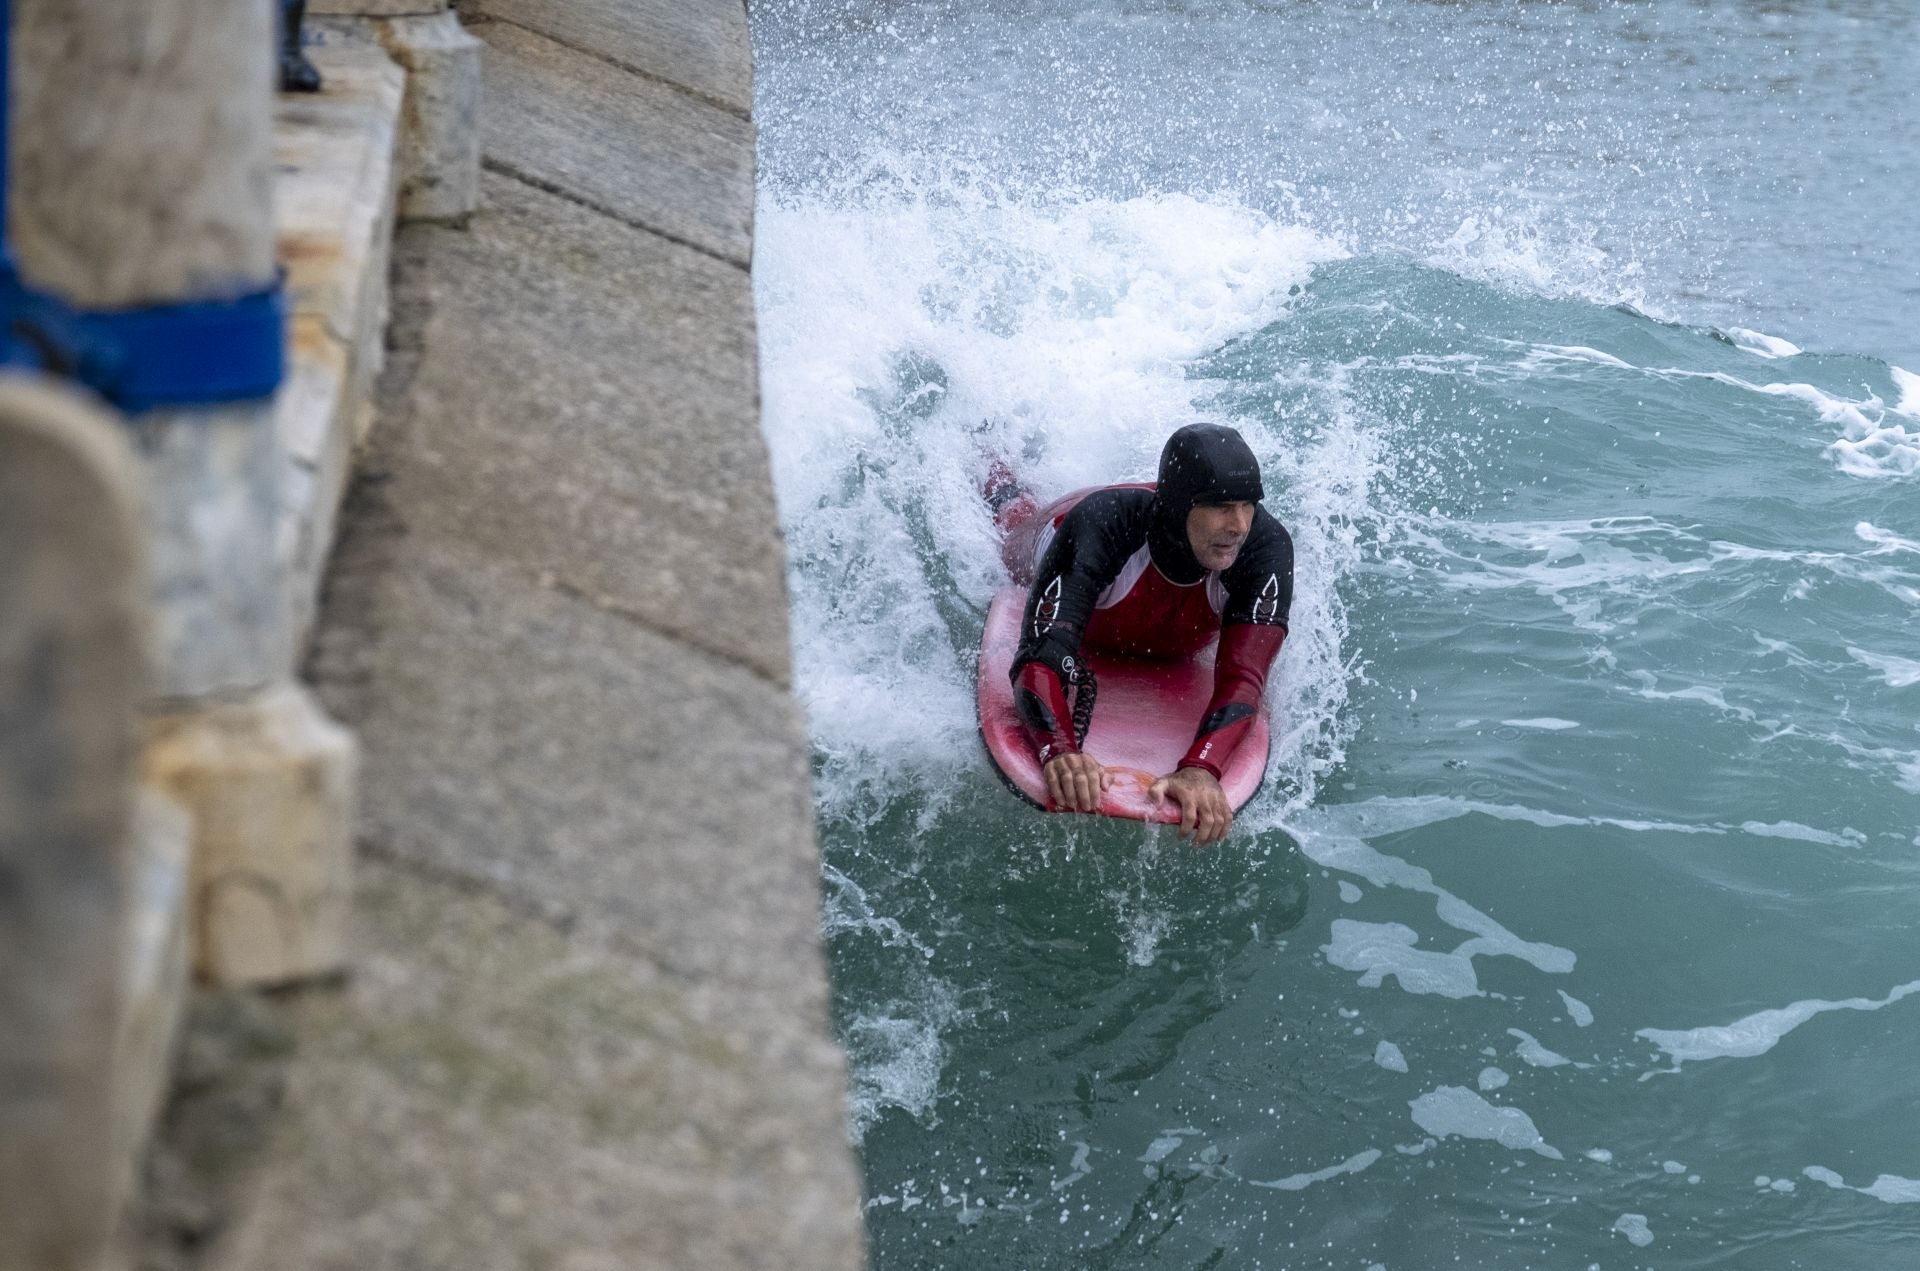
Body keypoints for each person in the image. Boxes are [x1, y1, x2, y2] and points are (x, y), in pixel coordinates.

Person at [989, 423, 1293, 845]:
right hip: (1069, 523)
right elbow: (1038, 657)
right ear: (1181, 505)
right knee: (1010, 523)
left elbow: (1245, 681)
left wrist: (1202, 767)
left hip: (1146, 519)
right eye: (1222, 506)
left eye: (1249, 505)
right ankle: (996, 461)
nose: (1240, 524)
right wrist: (1058, 749)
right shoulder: (1102, 528)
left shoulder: (1262, 549)